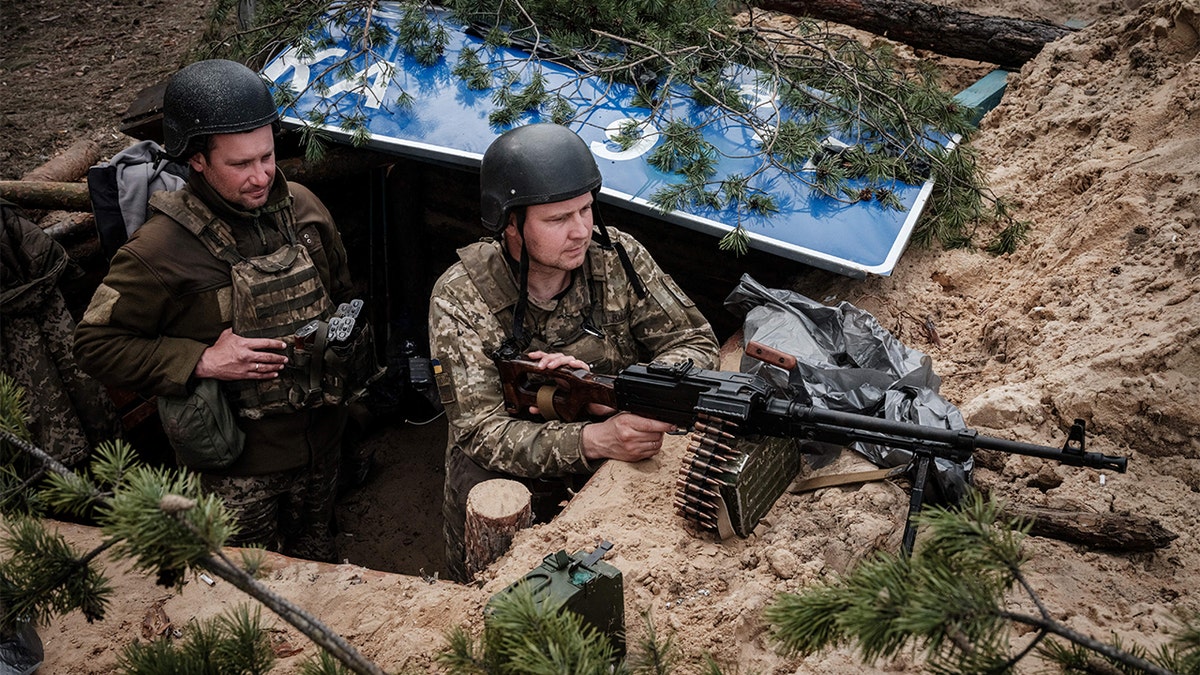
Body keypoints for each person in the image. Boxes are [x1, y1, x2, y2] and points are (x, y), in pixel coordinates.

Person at [73, 59, 355, 562]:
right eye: (240, 164)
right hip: (237, 472)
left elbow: (339, 293)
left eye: (267, 157)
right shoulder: (157, 251)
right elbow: (94, 345)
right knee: (248, 594)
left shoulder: (306, 209)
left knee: (317, 563)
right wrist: (201, 360)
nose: (261, 176)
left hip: (323, 442)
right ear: (197, 160)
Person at [428, 123, 720, 581]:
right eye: (558, 219)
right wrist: (593, 439)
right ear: (511, 224)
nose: (581, 230)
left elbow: (694, 342)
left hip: (608, 470)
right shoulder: (462, 296)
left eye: (586, 210)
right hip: (504, 482)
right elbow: (480, 431)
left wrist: (620, 393)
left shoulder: (618, 257)